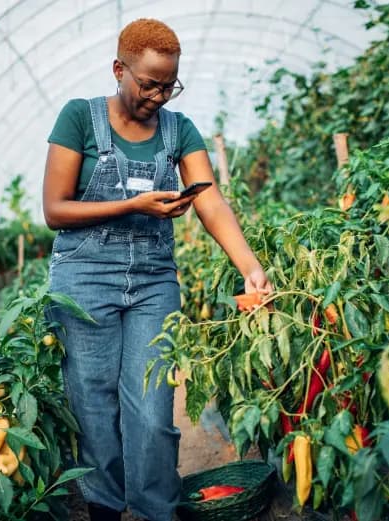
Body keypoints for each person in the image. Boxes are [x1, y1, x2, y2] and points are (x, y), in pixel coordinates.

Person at [42, 18, 273, 521]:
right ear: (118, 70)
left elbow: (210, 201)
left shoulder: (178, 129)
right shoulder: (80, 118)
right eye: (149, 84)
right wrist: (134, 205)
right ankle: (105, 507)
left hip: (152, 281)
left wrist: (249, 266)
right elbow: (55, 210)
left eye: (169, 86)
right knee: (93, 405)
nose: (159, 96)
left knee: (152, 408)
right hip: (84, 278)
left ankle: (154, 510)